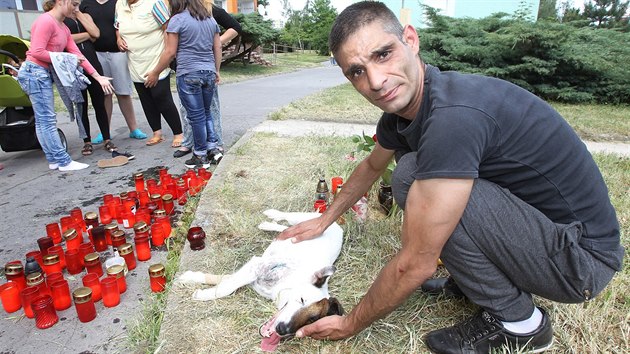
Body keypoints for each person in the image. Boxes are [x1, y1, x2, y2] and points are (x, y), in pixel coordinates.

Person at [276, 2, 625, 353]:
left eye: (383, 54)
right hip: (541, 234)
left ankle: (521, 324)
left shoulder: (454, 117)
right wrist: (324, 220)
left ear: (411, 40)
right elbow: (371, 166)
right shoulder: (408, 109)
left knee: (417, 180)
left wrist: (349, 323)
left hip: (580, 262)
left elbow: (416, 263)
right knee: (412, 172)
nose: (376, 82)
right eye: (357, 72)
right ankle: (479, 281)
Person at [17, 0, 114, 171]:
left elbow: (78, 55)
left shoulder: (64, 27)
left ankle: (53, 159)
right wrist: (65, 58)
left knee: (42, 121)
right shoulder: (46, 21)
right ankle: (63, 161)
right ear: (62, 1)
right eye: (74, 4)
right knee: (46, 120)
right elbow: (37, 51)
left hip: (42, 73)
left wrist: (98, 77)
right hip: (34, 73)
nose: (76, 9)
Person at [145, 0, 221, 168]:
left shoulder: (178, 19)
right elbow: (217, 47)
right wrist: (216, 70)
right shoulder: (210, 19)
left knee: (196, 117)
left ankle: (200, 155)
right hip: (208, 72)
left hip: (188, 74)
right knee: (207, 113)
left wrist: (155, 72)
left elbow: (170, 52)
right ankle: (213, 149)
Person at [172, 0, 241, 160]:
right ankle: (190, 142)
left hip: (201, 67)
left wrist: (216, 42)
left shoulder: (209, 10)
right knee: (187, 109)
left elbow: (235, 27)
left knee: (207, 110)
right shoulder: (178, 11)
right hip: (186, 67)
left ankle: (212, 146)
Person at [115, 0, 183, 147]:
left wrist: (167, 55)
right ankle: (157, 132)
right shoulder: (119, 4)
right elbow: (117, 26)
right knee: (145, 97)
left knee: (161, 97)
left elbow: (168, 29)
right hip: (135, 61)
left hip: (156, 58)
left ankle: (178, 133)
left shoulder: (154, 3)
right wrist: (119, 39)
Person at [79, 0, 148, 143]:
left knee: (123, 92)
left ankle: (133, 128)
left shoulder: (118, 2)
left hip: (118, 53)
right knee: (105, 93)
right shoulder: (86, 3)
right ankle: (106, 131)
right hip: (97, 53)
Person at [64, 1, 118, 155]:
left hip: (93, 64)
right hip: (74, 67)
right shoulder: (61, 19)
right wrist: (86, 35)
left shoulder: (85, 15)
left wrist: (79, 14)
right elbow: (66, 40)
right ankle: (86, 141)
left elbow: (96, 34)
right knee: (81, 106)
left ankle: (107, 138)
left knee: (99, 102)